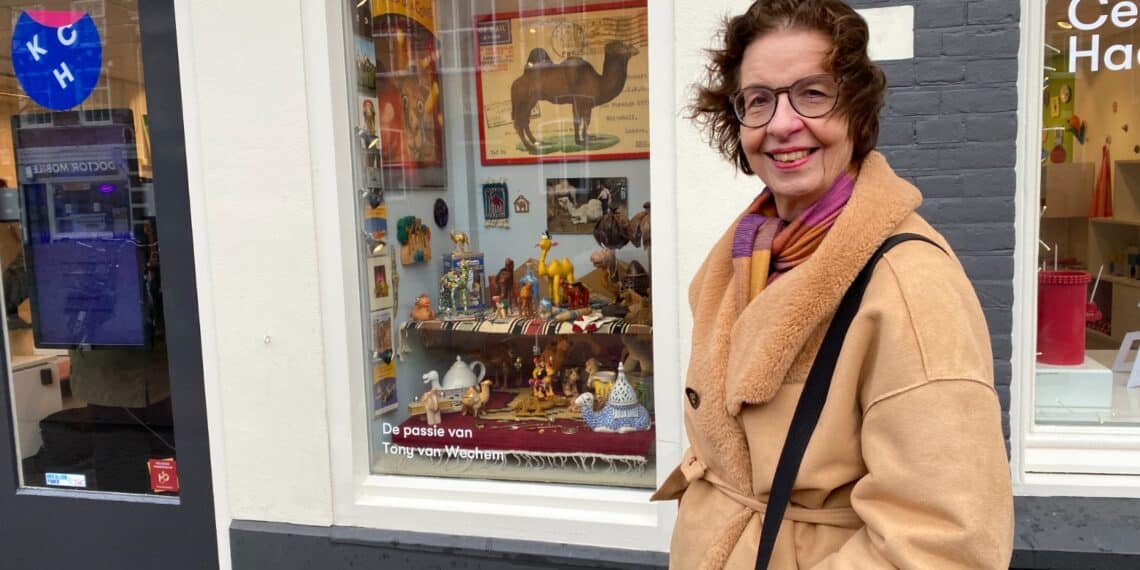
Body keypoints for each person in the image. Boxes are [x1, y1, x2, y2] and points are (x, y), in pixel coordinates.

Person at [650, 1, 1014, 568]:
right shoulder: (750, 254)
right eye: (758, 100)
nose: (781, 124)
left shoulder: (912, 286)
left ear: (856, 109)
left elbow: (943, 542)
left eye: (812, 93)